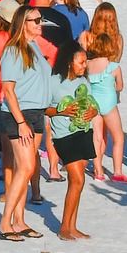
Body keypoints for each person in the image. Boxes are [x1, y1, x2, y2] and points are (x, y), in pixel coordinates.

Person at [0, 3, 53, 241]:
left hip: (36, 112)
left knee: (25, 168)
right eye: (36, 21)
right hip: (20, 115)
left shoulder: (33, 46)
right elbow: (8, 90)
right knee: (27, 167)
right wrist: (21, 122)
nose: (40, 24)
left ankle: (19, 220)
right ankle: (5, 222)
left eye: (40, 20)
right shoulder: (13, 50)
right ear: (23, 24)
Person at [42, 40, 97, 240]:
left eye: (85, 62)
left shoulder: (84, 82)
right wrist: (61, 110)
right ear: (68, 62)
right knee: (77, 179)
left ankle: (72, 226)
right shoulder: (54, 80)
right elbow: (43, 107)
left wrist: (94, 111)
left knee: (78, 183)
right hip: (64, 135)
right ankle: (64, 227)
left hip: (84, 132)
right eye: (81, 62)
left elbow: (92, 104)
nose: (84, 66)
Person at [84, 2, 127, 181]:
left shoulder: (87, 37)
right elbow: (117, 63)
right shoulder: (118, 39)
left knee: (97, 135)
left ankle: (98, 170)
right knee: (116, 135)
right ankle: (117, 171)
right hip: (109, 95)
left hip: (92, 95)